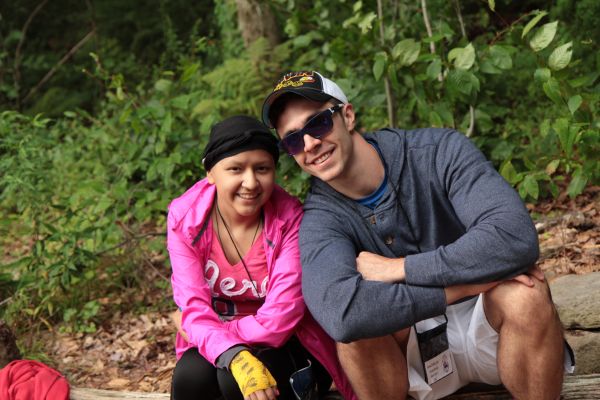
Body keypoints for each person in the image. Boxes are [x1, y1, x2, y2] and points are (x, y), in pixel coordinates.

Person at [261, 71, 575, 400]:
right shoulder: (319, 217)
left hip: (489, 328)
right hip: (409, 359)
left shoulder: (438, 150)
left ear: (348, 116)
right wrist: (463, 285)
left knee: (527, 295)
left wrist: (400, 268)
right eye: (293, 140)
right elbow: (343, 314)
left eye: (319, 124)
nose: (310, 144)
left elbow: (513, 235)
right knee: (356, 337)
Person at [167, 115, 356, 400]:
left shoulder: (290, 220)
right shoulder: (186, 219)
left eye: (262, 168)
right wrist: (230, 352)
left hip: (290, 342)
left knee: (235, 382)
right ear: (211, 173)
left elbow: (281, 317)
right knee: (190, 377)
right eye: (235, 169)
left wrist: (206, 330)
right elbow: (194, 304)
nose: (251, 182)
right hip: (217, 340)